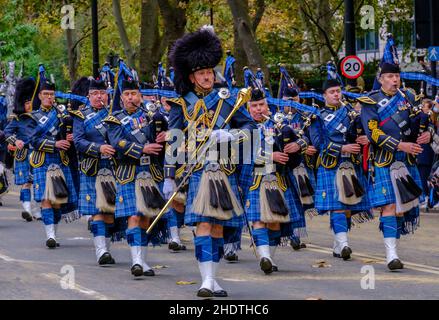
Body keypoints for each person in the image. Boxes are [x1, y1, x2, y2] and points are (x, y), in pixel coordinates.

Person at [164, 26, 257, 297]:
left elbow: (252, 130)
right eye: (202, 73)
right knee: (203, 225)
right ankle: (205, 280)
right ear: (192, 77)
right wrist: (169, 175)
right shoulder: (181, 104)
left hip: (224, 170)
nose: (207, 77)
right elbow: (174, 140)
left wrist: (228, 134)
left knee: (217, 226)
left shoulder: (229, 101)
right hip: (196, 171)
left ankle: (213, 279)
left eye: (209, 73)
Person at [360, 63, 433, 270]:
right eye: (390, 76)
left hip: (407, 159)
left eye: (397, 76)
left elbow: (421, 125)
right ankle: (391, 254)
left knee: (402, 209)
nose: (395, 80)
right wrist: (399, 144)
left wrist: (427, 136)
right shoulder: (371, 101)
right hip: (385, 159)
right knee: (389, 205)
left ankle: (393, 245)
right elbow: (373, 133)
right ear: (381, 78)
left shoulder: (409, 97)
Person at [105, 79, 168, 277]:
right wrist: (143, 148)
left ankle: (142, 259)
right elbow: (117, 143)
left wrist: (166, 135)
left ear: (140, 95)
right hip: (128, 173)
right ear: (122, 98)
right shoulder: (114, 120)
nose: (131, 97)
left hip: (151, 172)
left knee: (146, 218)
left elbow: (163, 140)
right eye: (127, 94)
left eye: (134, 93)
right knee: (133, 215)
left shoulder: (153, 117)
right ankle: (137, 261)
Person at [309, 79, 371, 261]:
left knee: (347, 207)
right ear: (324, 96)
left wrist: (364, 139)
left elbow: (363, 132)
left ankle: (338, 244)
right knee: (337, 206)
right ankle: (344, 244)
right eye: (332, 92)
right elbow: (319, 143)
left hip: (351, 164)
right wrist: (342, 148)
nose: (336, 94)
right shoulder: (317, 117)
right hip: (330, 163)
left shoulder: (352, 114)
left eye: (338, 91)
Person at [71, 78, 124, 265]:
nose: (98, 97)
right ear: (89, 96)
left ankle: (106, 249)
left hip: (114, 168)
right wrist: (98, 148)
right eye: (94, 94)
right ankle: (101, 251)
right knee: (97, 211)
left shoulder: (117, 115)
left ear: (108, 96)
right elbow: (78, 141)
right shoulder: (80, 116)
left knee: (110, 211)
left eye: (102, 93)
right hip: (92, 168)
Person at [24, 81, 78, 248]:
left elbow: (70, 135)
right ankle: (51, 236)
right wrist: (54, 144)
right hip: (42, 160)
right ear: (39, 96)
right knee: (46, 199)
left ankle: (53, 230)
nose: (49, 97)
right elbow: (32, 140)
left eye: (51, 94)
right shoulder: (32, 117)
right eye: (46, 94)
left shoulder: (63, 115)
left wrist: (71, 138)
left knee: (57, 201)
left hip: (60, 159)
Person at [4, 77, 40, 221]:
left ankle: (36, 210)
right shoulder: (17, 119)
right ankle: (27, 209)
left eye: (31, 101)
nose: (29, 105)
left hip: (38, 154)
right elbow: (7, 133)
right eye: (26, 102)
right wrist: (15, 140)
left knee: (37, 182)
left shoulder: (39, 117)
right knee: (26, 182)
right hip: (24, 154)